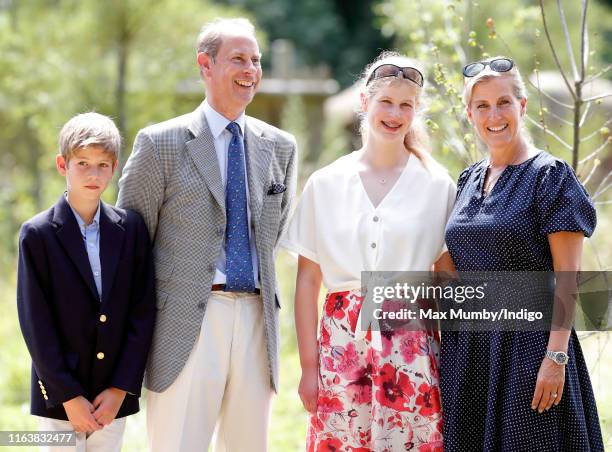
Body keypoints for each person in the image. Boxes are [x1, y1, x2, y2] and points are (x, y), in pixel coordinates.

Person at [116, 17, 297, 452]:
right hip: (184, 325)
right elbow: (128, 249)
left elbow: (271, 238)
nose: (251, 69)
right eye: (238, 59)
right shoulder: (159, 143)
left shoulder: (281, 146)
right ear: (205, 64)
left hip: (257, 322)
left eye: (255, 60)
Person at [283, 51, 455, 451]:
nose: (395, 114)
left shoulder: (437, 185)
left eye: (406, 105)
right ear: (365, 102)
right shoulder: (325, 184)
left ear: (416, 111)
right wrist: (310, 368)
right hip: (342, 349)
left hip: (411, 353)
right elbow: (308, 281)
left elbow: (445, 282)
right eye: (386, 102)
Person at [441, 56, 604, 451]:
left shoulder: (550, 176)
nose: (493, 115)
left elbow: (569, 278)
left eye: (503, 103)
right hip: (472, 353)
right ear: (469, 114)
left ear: (522, 106)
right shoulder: (467, 179)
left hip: (529, 350)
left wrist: (556, 359)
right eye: (482, 106)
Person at [16, 112, 156, 452]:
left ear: (115, 166)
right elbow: (36, 324)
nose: (93, 174)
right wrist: (68, 396)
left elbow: (142, 312)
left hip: (111, 398)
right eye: (83, 163)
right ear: (62, 165)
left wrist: (121, 389)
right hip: (60, 401)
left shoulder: (131, 229)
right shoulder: (37, 235)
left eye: (103, 165)